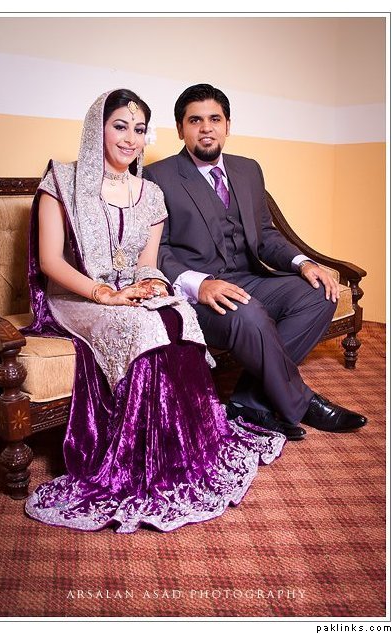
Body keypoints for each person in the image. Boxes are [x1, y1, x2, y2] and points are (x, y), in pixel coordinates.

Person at [23, 88, 286, 534]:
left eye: (139, 129)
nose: (130, 138)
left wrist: (153, 286)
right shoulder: (61, 182)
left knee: (178, 316)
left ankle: (181, 452)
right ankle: (137, 462)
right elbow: (50, 262)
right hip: (77, 296)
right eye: (119, 126)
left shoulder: (149, 193)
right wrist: (103, 293)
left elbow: (149, 262)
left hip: (129, 293)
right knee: (145, 329)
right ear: (97, 129)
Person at [143, 83, 367, 440]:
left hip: (249, 278)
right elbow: (157, 249)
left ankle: (249, 400)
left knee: (321, 292)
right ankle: (302, 401)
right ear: (181, 128)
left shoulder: (248, 170)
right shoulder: (157, 177)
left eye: (215, 119)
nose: (206, 128)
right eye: (195, 120)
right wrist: (199, 284)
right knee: (248, 314)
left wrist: (303, 263)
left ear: (228, 125)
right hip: (200, 295)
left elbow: (265, 235)